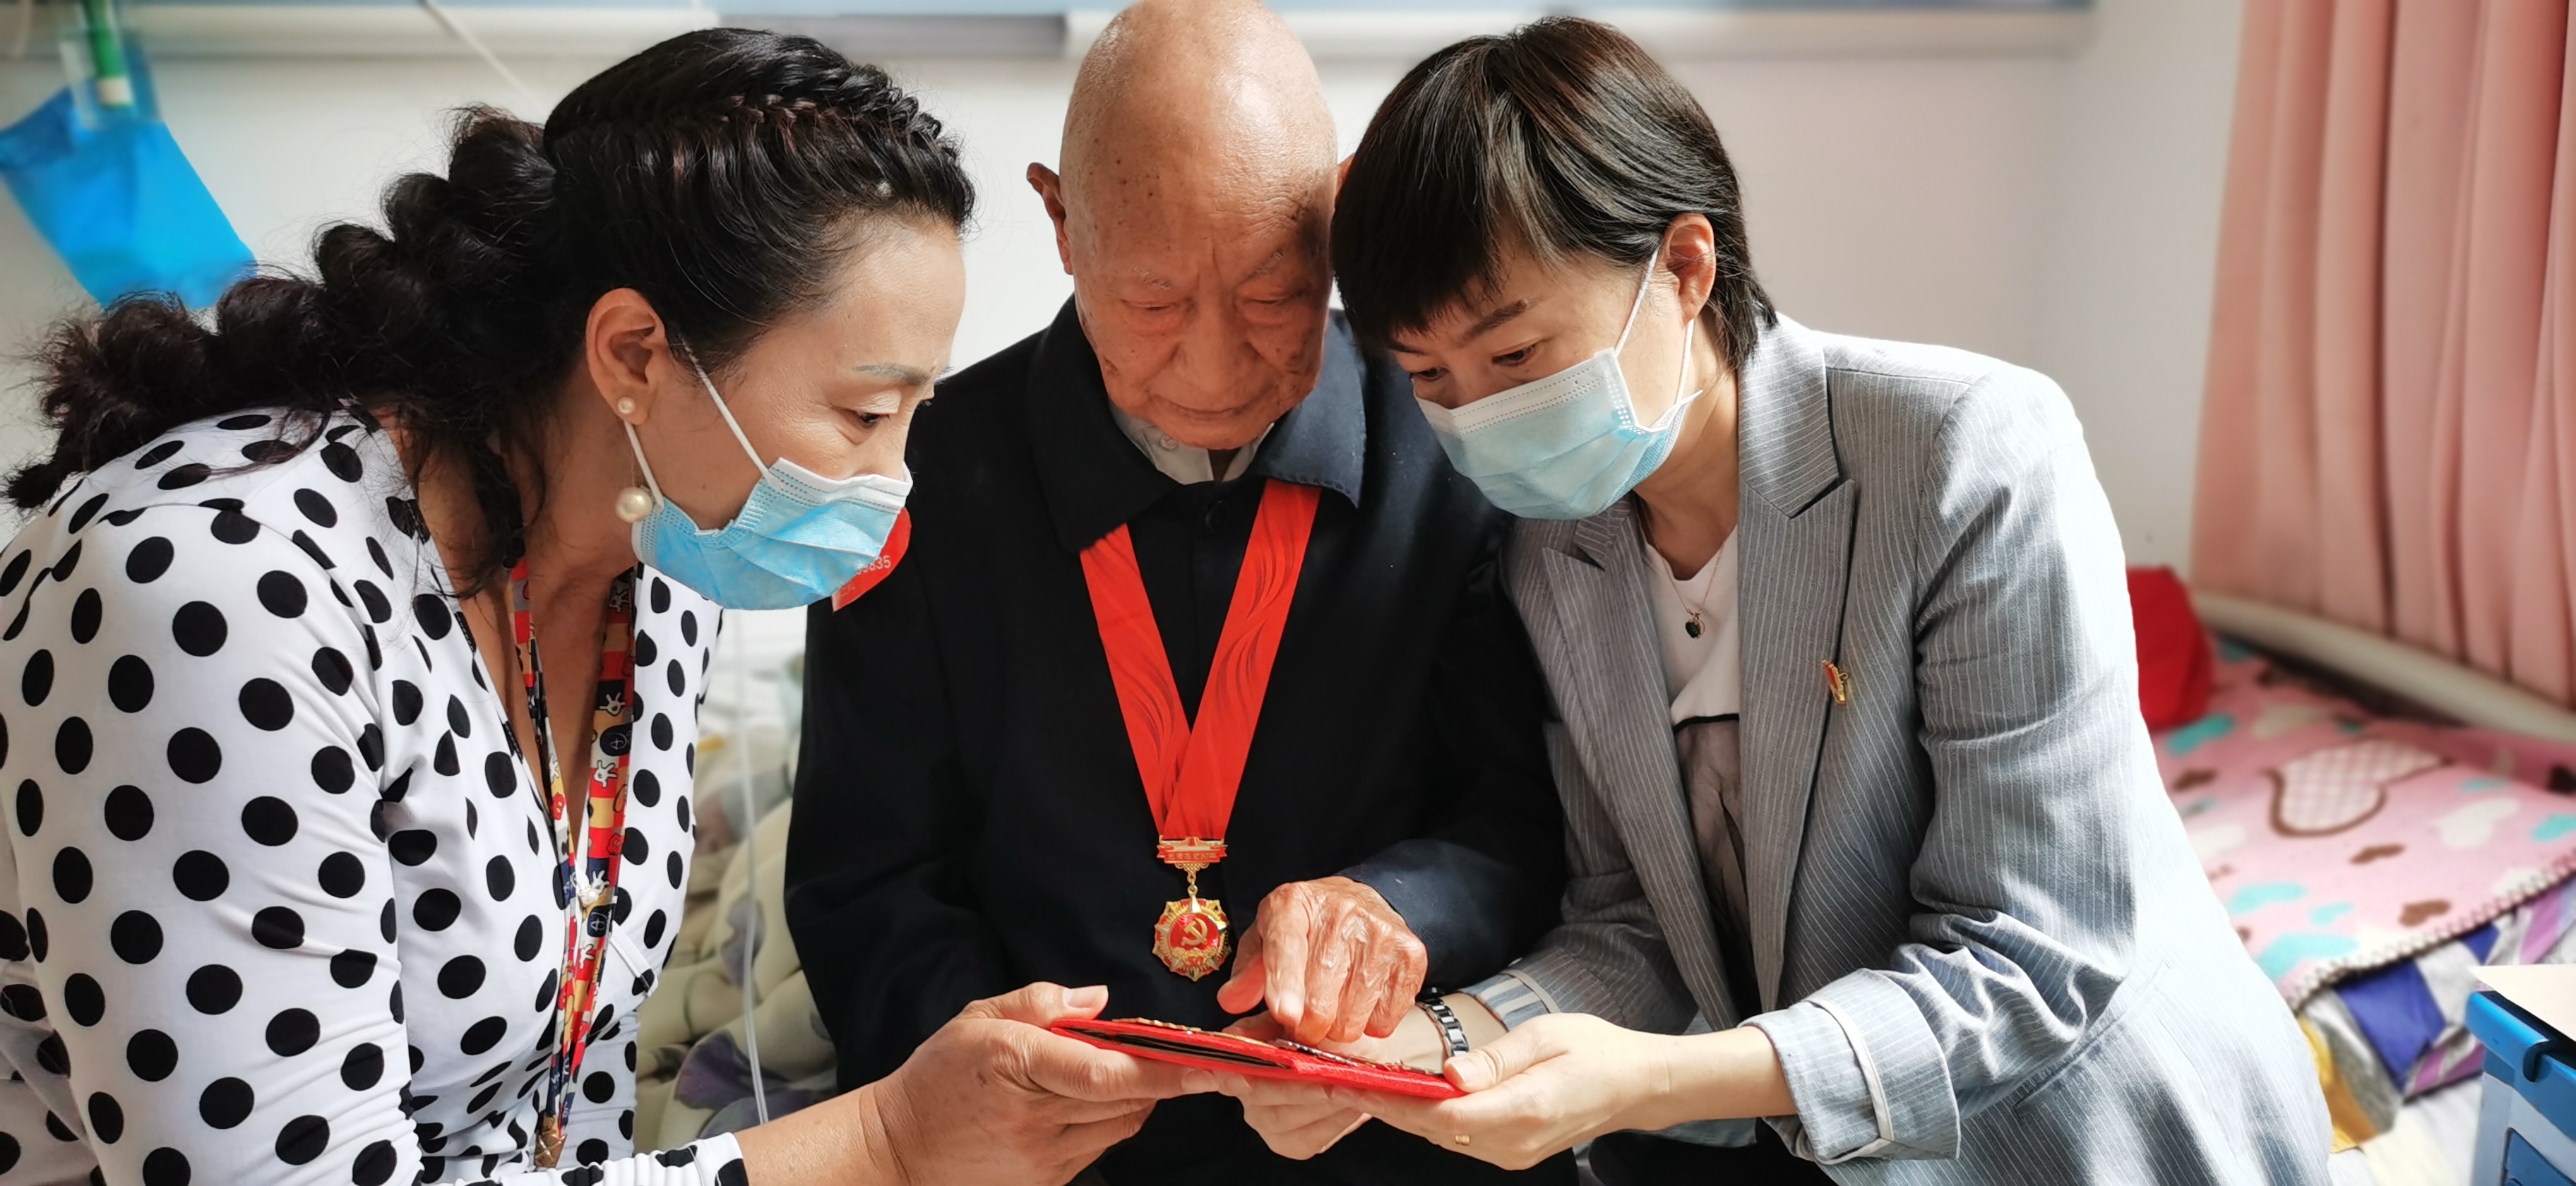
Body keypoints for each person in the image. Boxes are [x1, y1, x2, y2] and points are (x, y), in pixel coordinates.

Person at [0, 29, 1190, 1186]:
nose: (895, 485)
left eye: (916, 415)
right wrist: (885, 1147)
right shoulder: (219, 597)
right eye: (865, 415)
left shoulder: (652, 570)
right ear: (632, 355)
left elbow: (572, 1098)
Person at [1220, 17, 2334, 1184]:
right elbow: (1635, 922)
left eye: (1515, 358)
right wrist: (1428, 1048)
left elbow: (2033, 961)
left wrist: (1656, 1081)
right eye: (1429, 378)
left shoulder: (1965, 454)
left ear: (1684, 268)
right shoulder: (1557, 555)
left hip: (2091, 1136)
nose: (1479, 416)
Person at [783, 1, 1569, 1182]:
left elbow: (1527, 821)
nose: (1212, 367)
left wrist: (1393, 908)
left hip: (1384, 1128)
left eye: (1271, 296)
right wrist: (989, 1087)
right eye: (1153, 304)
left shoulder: (1453, 446)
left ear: (1338, 216)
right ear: (1062, 225)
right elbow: (869, 878)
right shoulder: (919, 477)